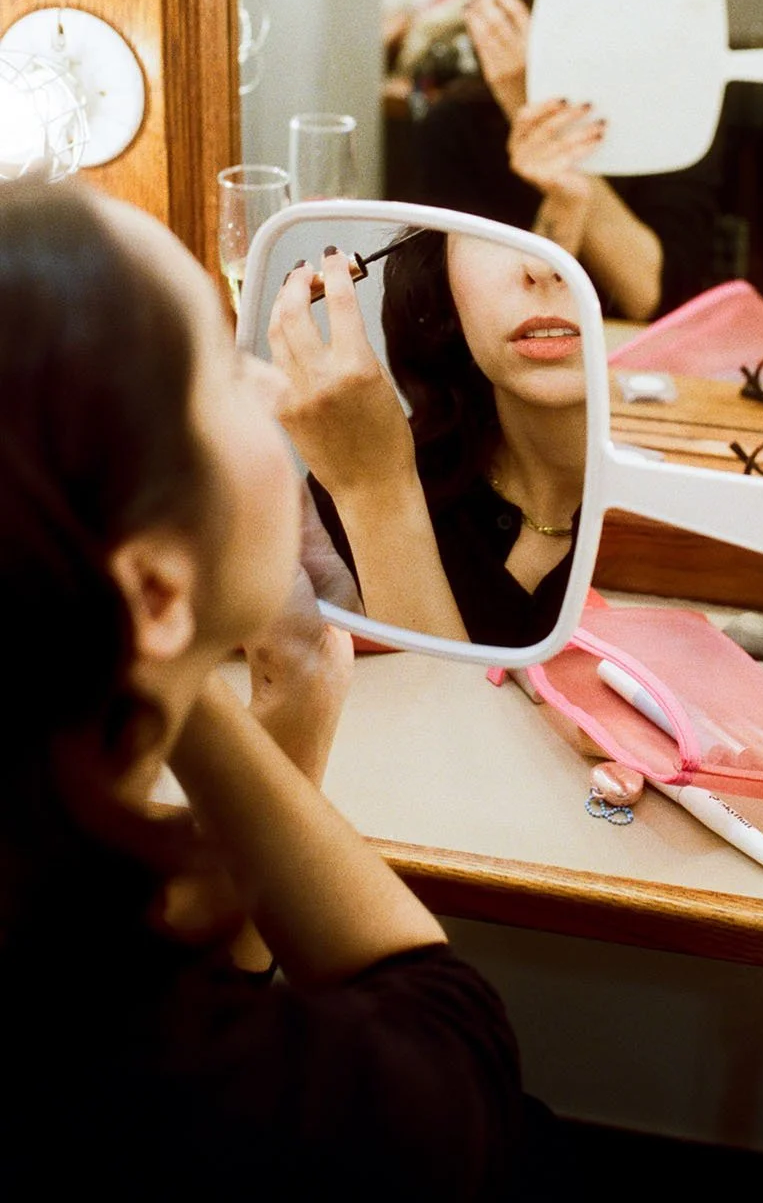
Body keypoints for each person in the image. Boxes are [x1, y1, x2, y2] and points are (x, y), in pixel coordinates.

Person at [0, 177, 541, 1198]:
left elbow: (210, 989)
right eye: (219, 366)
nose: (268, 383)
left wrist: (178, 665)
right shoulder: (197, 1099)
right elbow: (450, 1045)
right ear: (154, 584)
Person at [408, 0, 732, 321]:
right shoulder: (454, 129)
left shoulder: (680, 106)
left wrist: (535, 111)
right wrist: (523, 102)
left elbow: (654, 296)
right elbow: (467, 327)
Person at [272, 229, 587, 648]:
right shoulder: (352, 476)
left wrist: (374, 491)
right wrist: (373, 491)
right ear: (446, 280)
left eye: (562, 232)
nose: (543, 267)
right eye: (493, 229)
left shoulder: (679, 529)